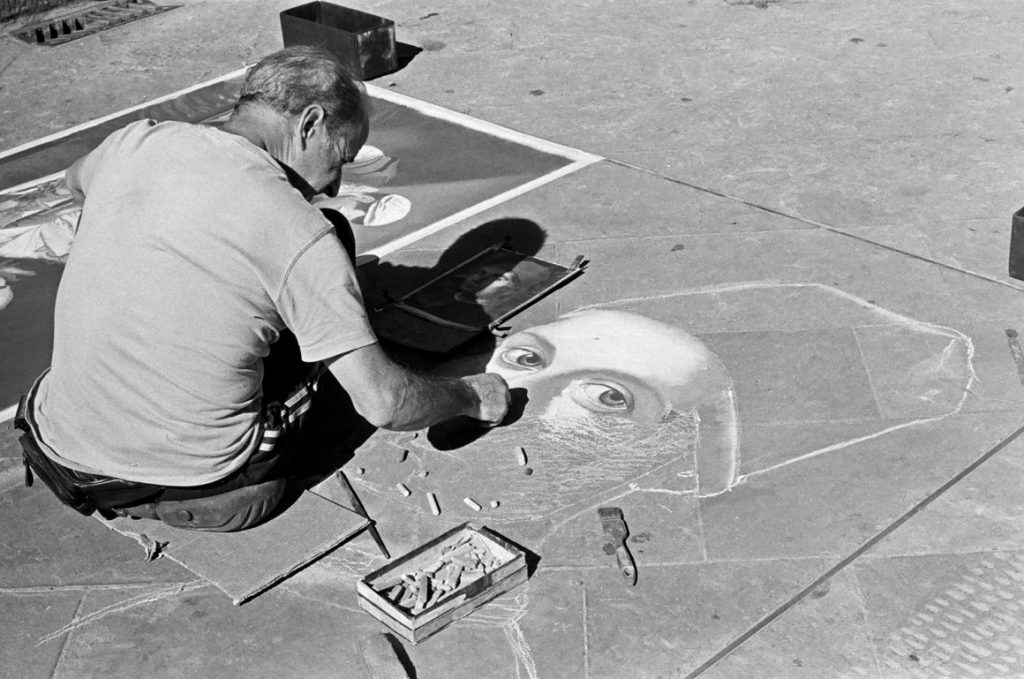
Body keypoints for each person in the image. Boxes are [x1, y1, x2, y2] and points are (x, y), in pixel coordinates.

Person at [14, 46, 510, 532]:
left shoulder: (137, 142)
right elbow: (387, 403)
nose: (336, 185)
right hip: (208, 486)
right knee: (335, 268)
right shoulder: (298, 232)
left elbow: (76, 183)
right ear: (310, 124)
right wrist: (471, 396)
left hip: (59, 448)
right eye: (342, 157)